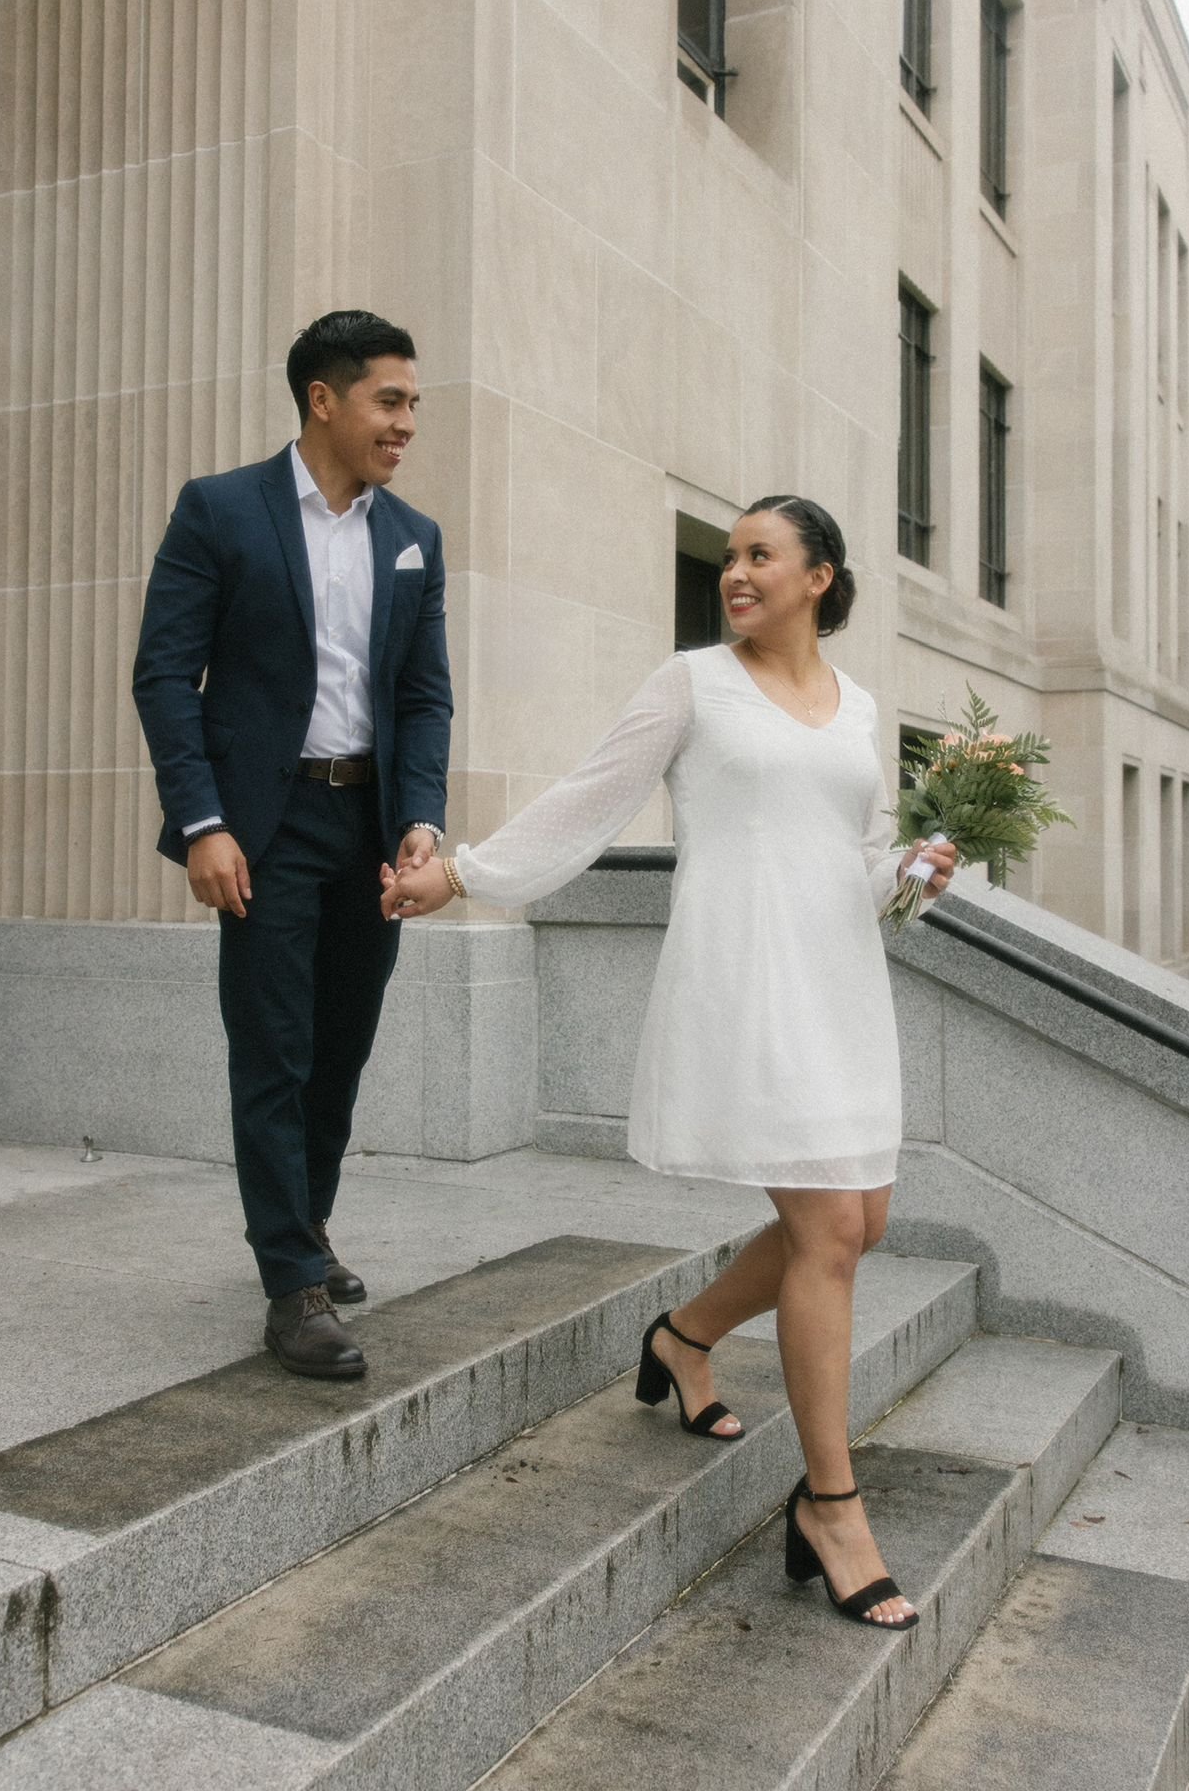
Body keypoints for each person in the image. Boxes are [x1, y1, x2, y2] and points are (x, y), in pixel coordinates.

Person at [380, 495, 955, 1629]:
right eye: (729, 555)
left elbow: (859, 855)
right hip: (748, 982)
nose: (734, 572)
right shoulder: (693, 683)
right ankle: (831, 1506)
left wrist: (911, 873)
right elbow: (588, 799)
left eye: (760, 555)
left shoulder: (859, 708)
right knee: (830, 1234)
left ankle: (682, 1336)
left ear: (819, 578)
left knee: (860, 1220)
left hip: (841, 986)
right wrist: (466, 872)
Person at [134, 310, 452, 1380]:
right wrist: (203, 823)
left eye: (412, 404)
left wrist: (420, 820)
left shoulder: (414, 535)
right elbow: (164, 675)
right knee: (274, 1049)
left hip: (370, 829)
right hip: (262, 830)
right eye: (389, 401)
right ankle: (291, 1285)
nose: (407, 424)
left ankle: (305, 1223)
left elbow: (423, 694)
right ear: (323, 398)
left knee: (341, 1045)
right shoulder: (221, 509)